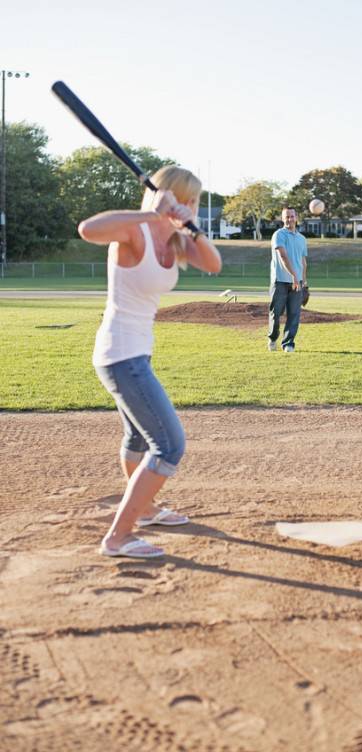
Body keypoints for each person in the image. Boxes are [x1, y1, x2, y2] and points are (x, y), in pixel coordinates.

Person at [78, 165, 222, 559]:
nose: (191, 206)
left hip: (135, 352)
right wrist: (152, 213)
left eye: (194, 201)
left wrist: (191, 226)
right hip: (120, 354)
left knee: (138, 439)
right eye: (185, 198)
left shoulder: (175, 240)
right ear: (166, 195)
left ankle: (146, 511)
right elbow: (88, 229)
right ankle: (118, 537)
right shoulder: (134, 231)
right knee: (170, 445)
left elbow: (213, 264)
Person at [268, 206, 308, 353]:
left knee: (294, 314)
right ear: (282, 218)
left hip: (297, 283)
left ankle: (288, 343)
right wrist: (294, 277)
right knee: (276, 313)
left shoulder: (302, 239)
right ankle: (272, 338)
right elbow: (283, 256)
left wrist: (305, 282)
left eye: (292, 216)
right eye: (287, 217)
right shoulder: (278, 235)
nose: (289, 219)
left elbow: (303, 261)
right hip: (280, 281)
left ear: (296, 217)